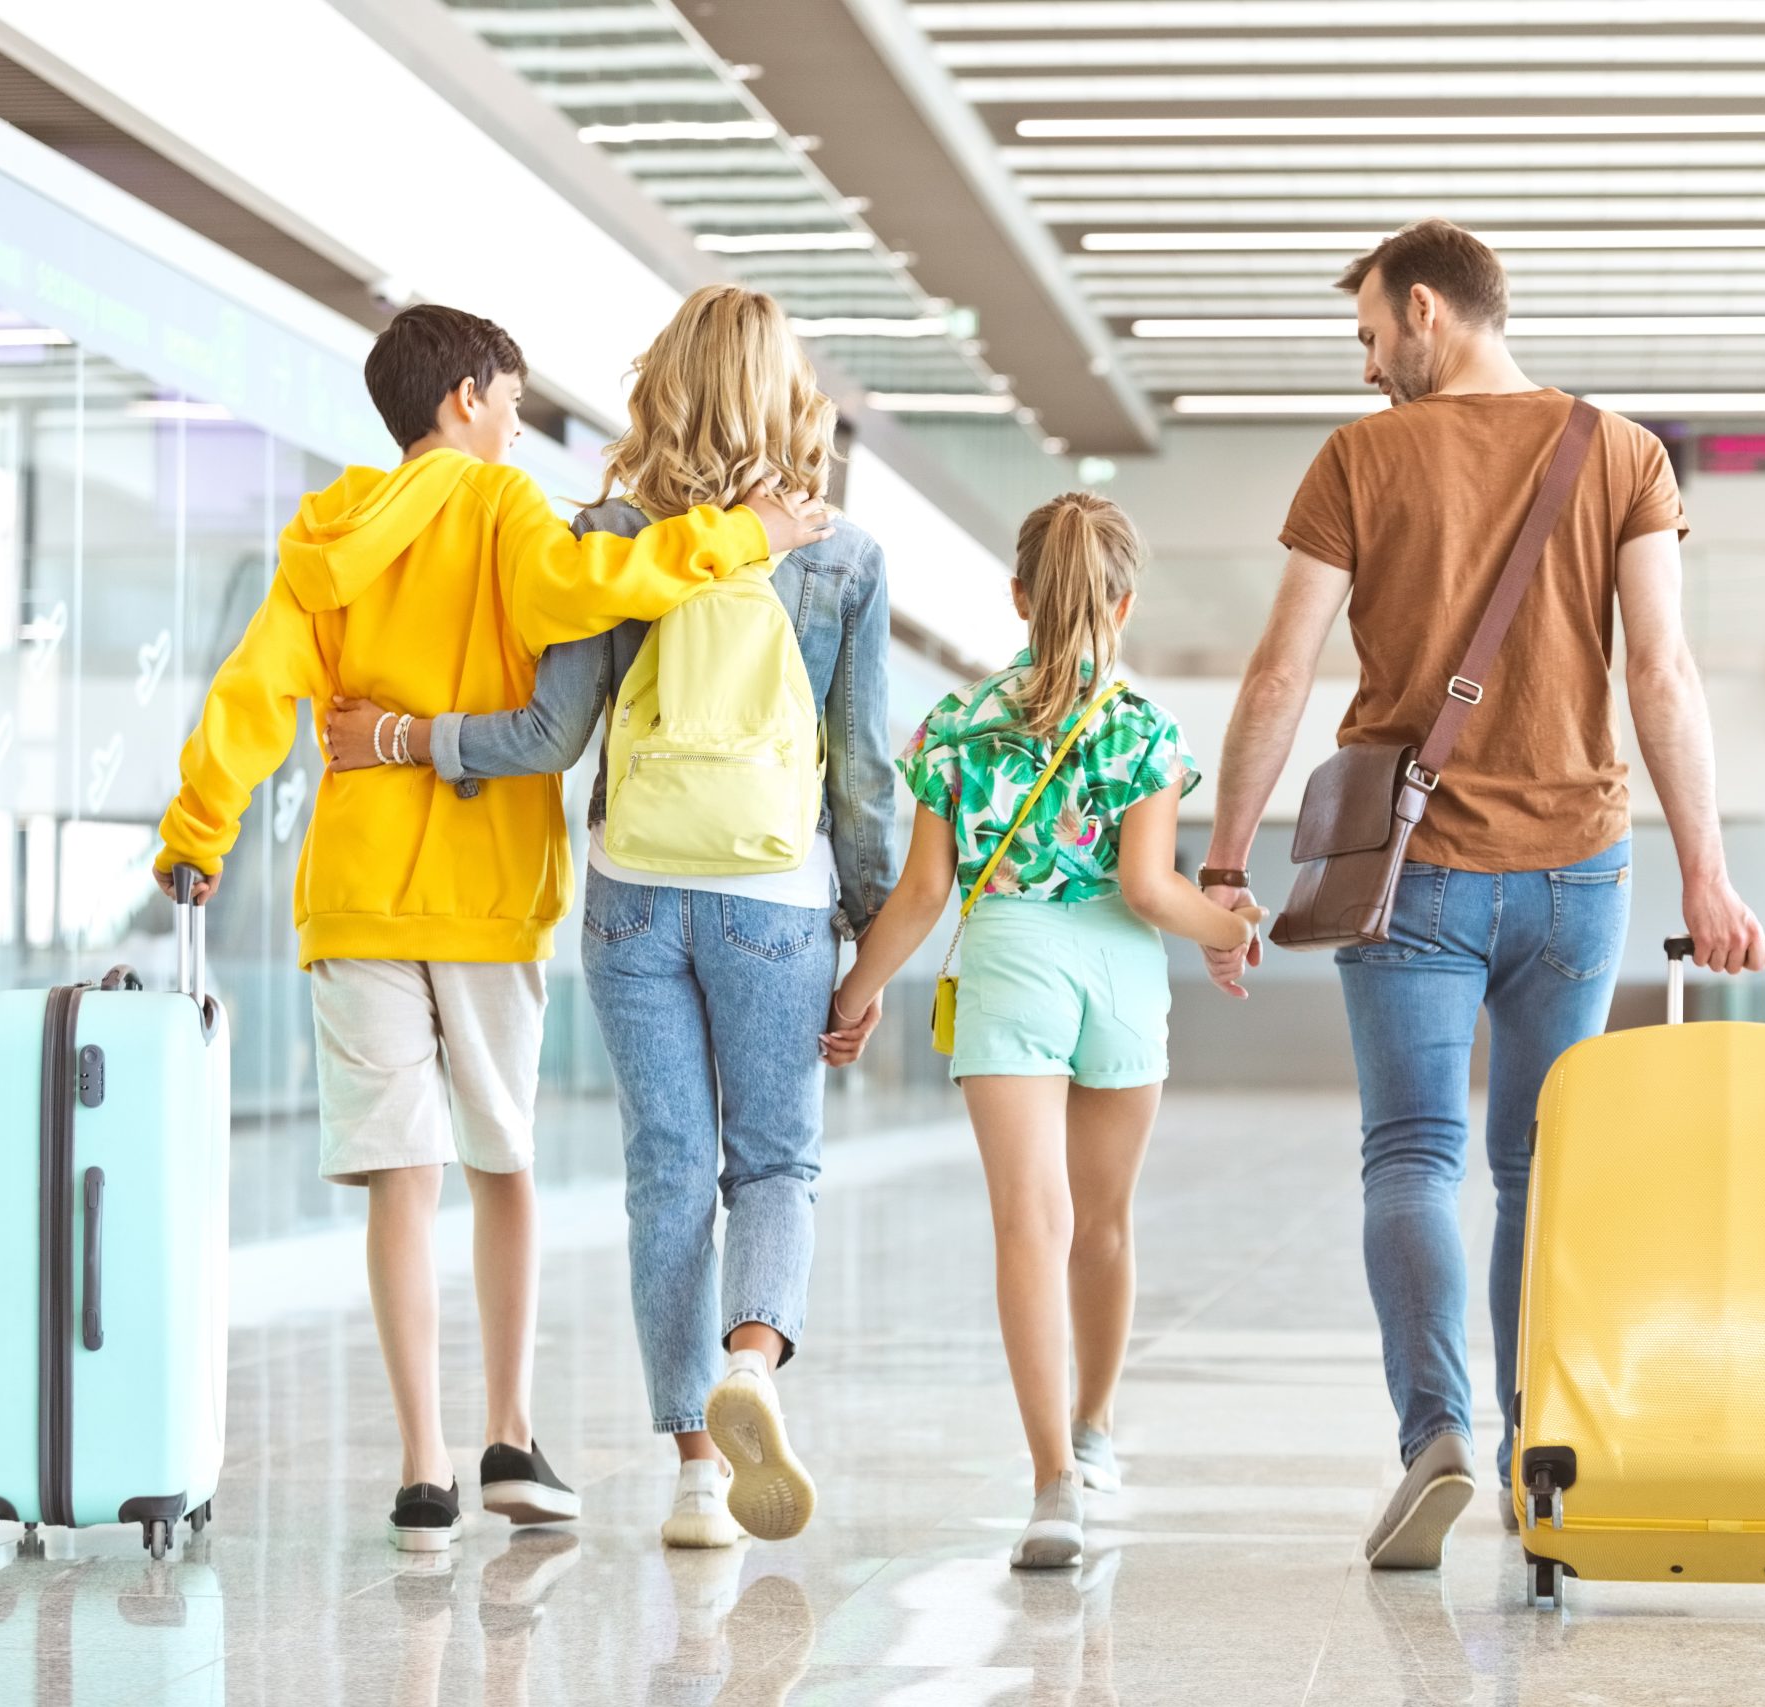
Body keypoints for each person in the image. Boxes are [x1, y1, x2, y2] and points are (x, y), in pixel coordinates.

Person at [153, 302, 832, 1552]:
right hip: (487, 898)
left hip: (354, 896)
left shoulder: (326, 533)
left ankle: (424, 1476)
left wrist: (198, 831)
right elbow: (597, 587)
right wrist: (745, 534)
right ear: (464, 398)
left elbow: (251, 691)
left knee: (398, 1181)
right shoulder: (505, 507)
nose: (517, 429)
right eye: (512, 406)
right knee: (499, 1166)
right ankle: (509, 1438)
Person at [1193, 219, 1765, 1568]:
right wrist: (1706, 867)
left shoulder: (1360, 459)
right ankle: (1531, 1454)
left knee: (1411, 1157)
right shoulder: (1622, 453)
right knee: (1536, 1167)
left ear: (1426, 309)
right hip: (1579, 870)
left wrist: (1225, 861)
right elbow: (1661, 671)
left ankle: (1434, 1435)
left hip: (1409, 871)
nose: (1367, 366)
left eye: (1370, 334)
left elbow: (1280, 673)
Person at [324, 284, 895, 1552]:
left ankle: (697, 1478)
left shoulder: (614, 535)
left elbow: (545, 737)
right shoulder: (841, 555)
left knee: (668, 1175)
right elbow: (861, 780)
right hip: (776, 897)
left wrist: (406, 738)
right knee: (774, 1164)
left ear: (665, 387)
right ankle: (750, 1364)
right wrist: (864, 943)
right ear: (790, 395)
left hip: (633, 895)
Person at [823, 492, 1264, 1570]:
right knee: (1101, 1224)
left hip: (1010, 962)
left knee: (1030, 1223)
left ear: (1018, 596)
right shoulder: (1144, 727)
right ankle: (1096, 1426)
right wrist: (1232, 929)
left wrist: (854, 995)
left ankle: (1051, 1485)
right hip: (1118, 969)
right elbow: (1150, 889)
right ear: (1125, 602)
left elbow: (923, 894)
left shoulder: (957, 725)